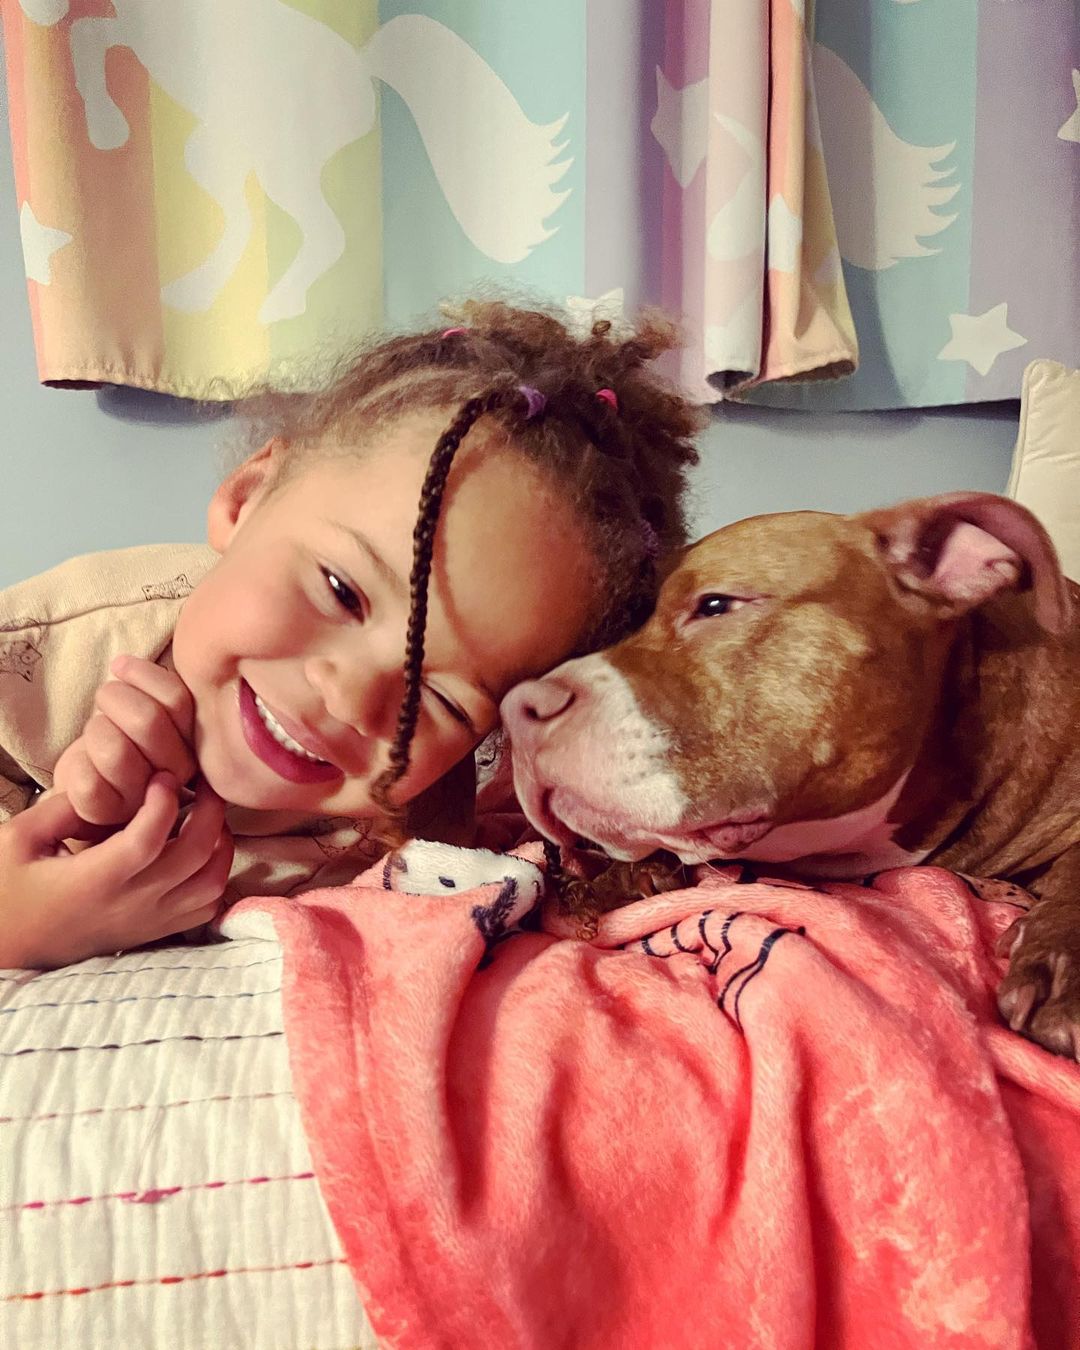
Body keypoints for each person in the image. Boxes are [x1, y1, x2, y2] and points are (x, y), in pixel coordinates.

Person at [0, 301, 703, 969]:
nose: (351, 698)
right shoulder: (53, 647)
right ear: (247, 498)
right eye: (342, 590)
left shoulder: (414, 848)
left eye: (444, 701)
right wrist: (28, 913)